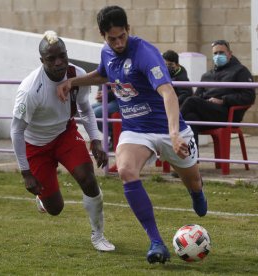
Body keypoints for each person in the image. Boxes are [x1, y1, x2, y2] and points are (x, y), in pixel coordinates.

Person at [57, 6, 207, 264]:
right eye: (111, 38)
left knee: (193, 182)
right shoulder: (106, 52)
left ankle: (196, 192)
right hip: (136, 130)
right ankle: (156, 242)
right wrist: (73, 82)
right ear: (102, 35)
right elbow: (104, 75)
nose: (117, 43)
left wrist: (173, 133)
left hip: (167, 128)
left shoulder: (146, 54)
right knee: (126, 170)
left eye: (121, 36)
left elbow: (168, 93)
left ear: (128, 29)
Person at [10, 31, 115, 252]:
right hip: (35, 145)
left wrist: (95, 139)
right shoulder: (30, 90)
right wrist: (25, 172)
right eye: (51, 59)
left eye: (62, 56)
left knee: (88, 179)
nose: (59, 63)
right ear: (42, 61)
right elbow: (17, 131)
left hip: (65, 134)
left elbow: (86, 108)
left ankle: (98, 235)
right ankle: (43, 198)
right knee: (55, 208)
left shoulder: (77, 74)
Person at [180, 40, 255, 147]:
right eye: (215, 53)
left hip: (226, 114)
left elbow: (249, 96)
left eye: (221, 53)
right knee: (190, 118)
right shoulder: (207, 75)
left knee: (191, 101)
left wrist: (223, 100)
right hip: (207, 112)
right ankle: (192, 161)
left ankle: (170, 126)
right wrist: (204, 101)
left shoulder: (240, 71)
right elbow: (197, 96)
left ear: (230, 54)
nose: (218, 56)